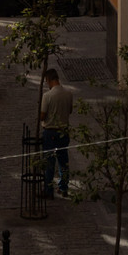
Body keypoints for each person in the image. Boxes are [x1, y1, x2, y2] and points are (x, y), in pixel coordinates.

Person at [39, 68, 75, 198]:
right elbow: (70, 111)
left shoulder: (47, 96)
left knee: (49, 163)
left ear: (48, 80)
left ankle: (48, 190)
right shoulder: (68, 93)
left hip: (50, 132)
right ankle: (63, 187)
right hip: (63, 131)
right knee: (63, 161)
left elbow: (42, 116)